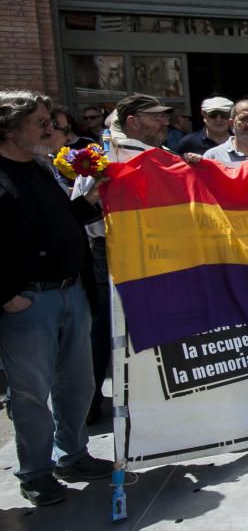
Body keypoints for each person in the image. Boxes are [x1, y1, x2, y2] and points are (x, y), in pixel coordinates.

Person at [0, 90, 114, 506]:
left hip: (71, 292)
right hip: (29, 302)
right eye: (41, 122)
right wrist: (7, 296)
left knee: (78, 382)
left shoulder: (42, 166)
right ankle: (35, 472)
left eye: (50, 121)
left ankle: (74, 455)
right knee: (30, 393)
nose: (51, 130)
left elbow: (66, 220)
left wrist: (92, 200)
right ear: (9, 127)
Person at [73, 94, 173, 424]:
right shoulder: (101, 159)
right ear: (132, 121)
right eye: (155, 117)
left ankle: (158, 398)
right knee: (106, 329)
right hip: (112, 255)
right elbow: (83, 216)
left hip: (158, 252)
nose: (164, 122)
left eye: (164, 116)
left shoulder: (165, 157)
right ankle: (89, 407)